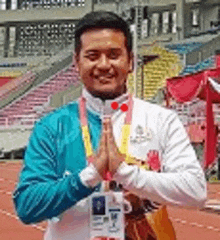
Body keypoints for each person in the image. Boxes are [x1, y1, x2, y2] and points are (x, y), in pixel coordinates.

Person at [13, 11, 207, 240]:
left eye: (114, 55)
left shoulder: (162, 120)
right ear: (77, 62)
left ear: (131, 61)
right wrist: (89, 177)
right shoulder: (51, 127)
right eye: (92, 56)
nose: (104, 65)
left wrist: (126, 174)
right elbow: (27, 207)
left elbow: (196, 191)